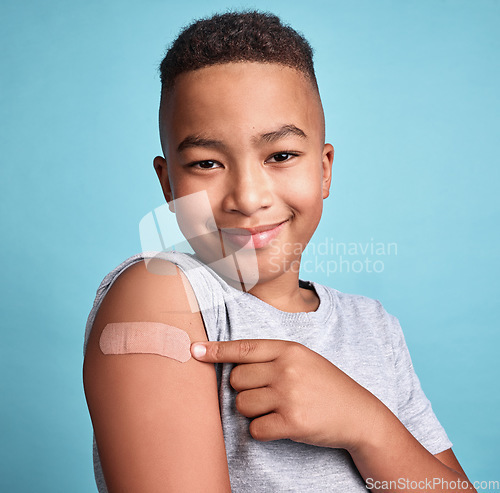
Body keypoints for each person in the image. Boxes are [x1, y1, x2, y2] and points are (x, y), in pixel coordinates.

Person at [83, 11, 476, 492]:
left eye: (281, 156)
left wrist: (366, 425)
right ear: (168, 185)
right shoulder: (158, 295)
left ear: (325, 169)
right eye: (207, 163)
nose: (248, 197)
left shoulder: (375, 327)